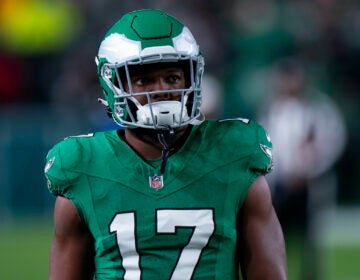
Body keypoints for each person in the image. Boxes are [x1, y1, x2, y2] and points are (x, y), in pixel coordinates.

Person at [44, 9, 287, 279]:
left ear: (191, 77)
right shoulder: (83, 167)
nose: (161, 89)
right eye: (144, 79)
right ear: (113, 84)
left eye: (172, 77)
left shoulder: (234, 155)